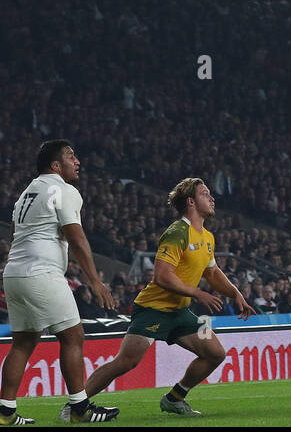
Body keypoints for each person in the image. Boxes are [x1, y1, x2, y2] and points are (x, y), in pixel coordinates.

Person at [81, 178, 254, 417]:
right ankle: (76, 405)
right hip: (153, 308)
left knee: (215, 353)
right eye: (205, 194)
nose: (212, 198)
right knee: (127, 361)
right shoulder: (177, 232)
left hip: (180, 312)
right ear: (191, 202)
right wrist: (198, 293)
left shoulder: (206, 237)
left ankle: (175, 398)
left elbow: (212, 273)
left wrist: (235, 293)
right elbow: (162, 276)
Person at [0, 140, 118, 425]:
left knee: (23, 343)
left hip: (14, 272)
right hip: (42, 272)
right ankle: (80, 408)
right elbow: (76, 237)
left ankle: (5, 414)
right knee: (72, 337)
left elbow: (16, 233)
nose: (78, 162)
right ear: (55, 165)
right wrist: (95, 281)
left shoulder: (26, 193)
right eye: (71, 157)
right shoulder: (63, 190)